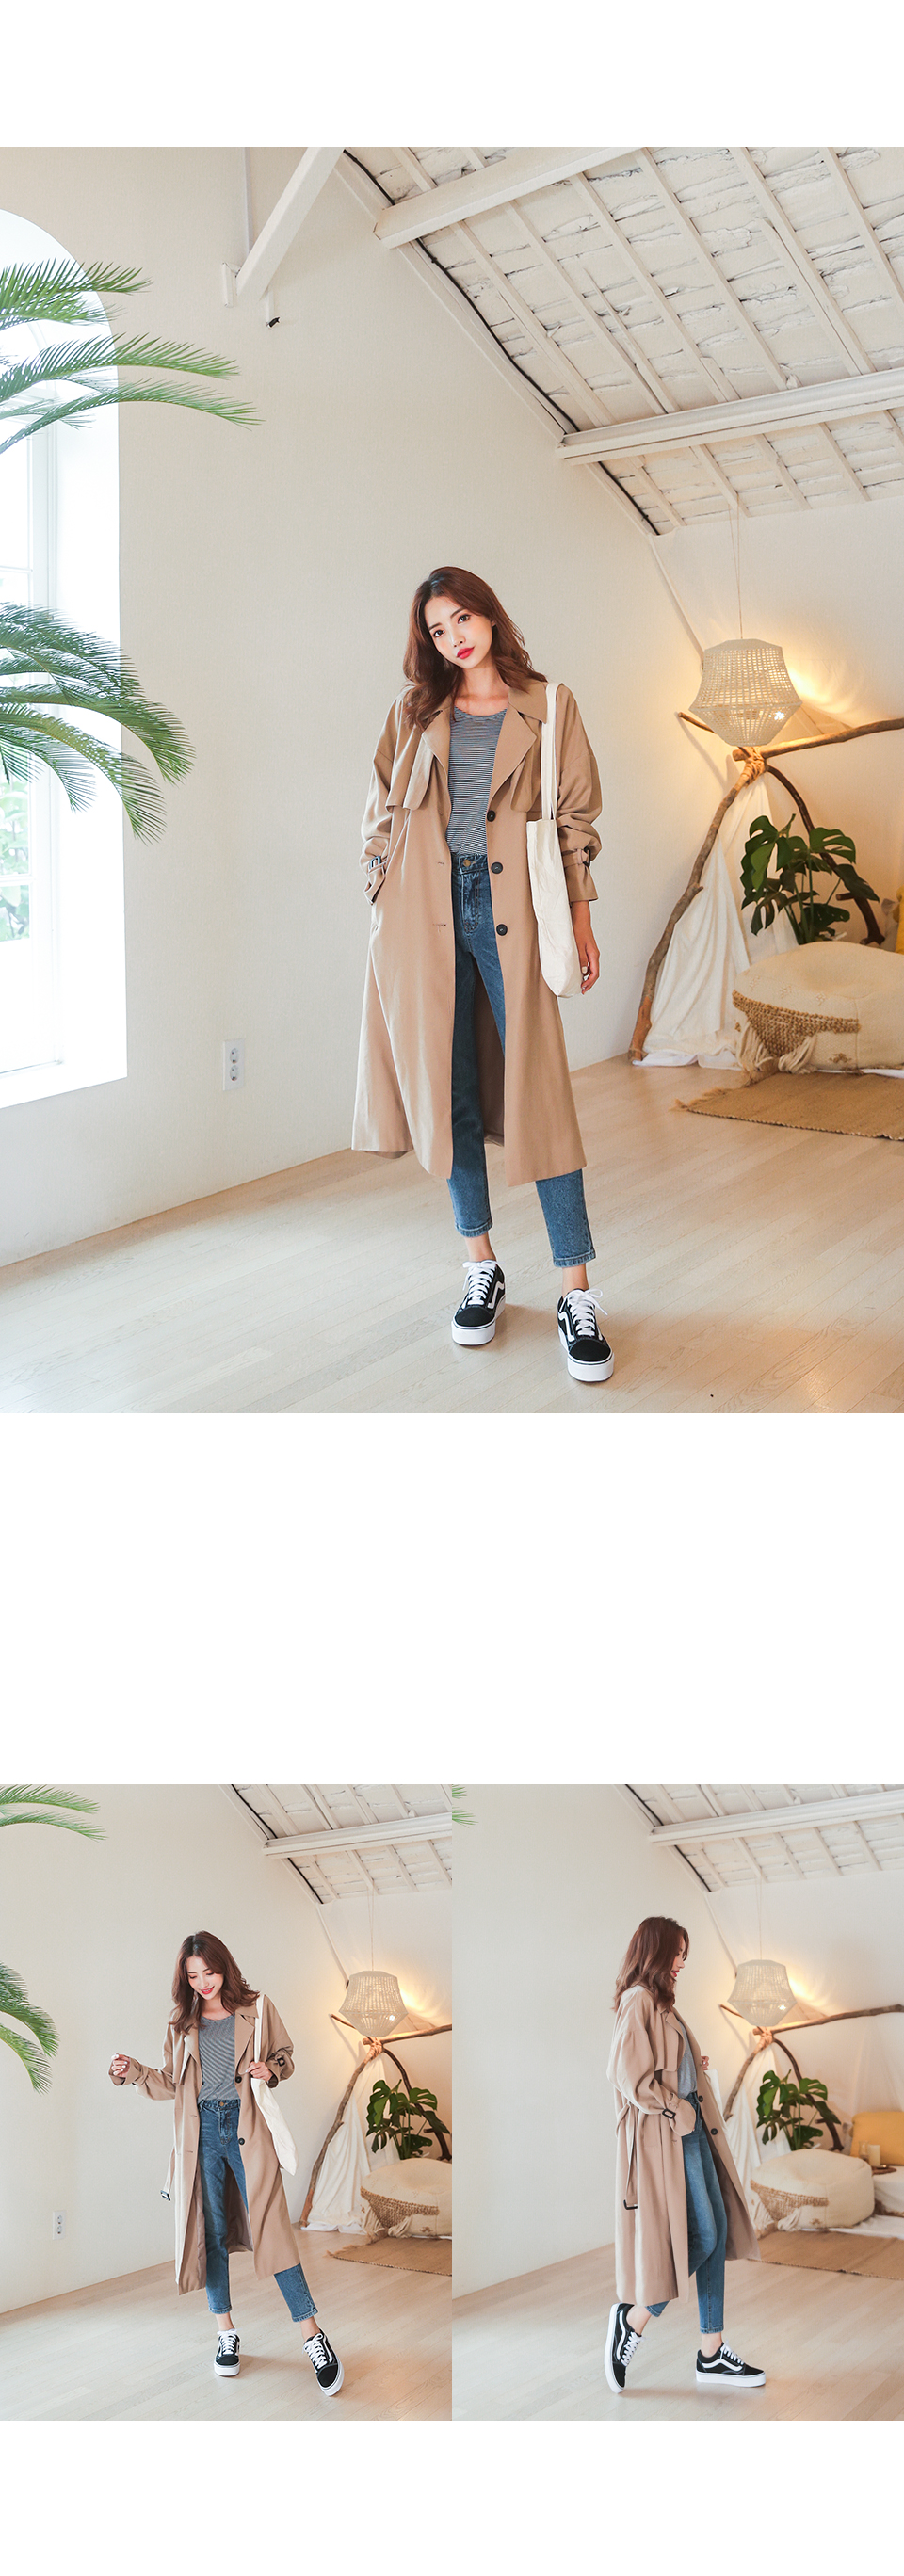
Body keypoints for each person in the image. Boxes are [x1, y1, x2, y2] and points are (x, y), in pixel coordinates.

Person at [352, 566, 614, 1385]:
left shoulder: (551, 704)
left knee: (541, 1095)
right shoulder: (414, 711)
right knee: (449, 1089)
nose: (454, 638)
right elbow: (380, 807)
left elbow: (574, 820)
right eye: (438, 629)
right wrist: (378, 882)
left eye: (462, 618)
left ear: (490, 616)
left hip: (515, 911)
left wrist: (580, 918)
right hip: (422, 911)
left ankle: (576, 1290)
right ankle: (481, 1266)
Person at [109, 1929, 343, 2392]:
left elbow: (285, 2056)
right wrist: (134, 2072)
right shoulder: (181, 2024)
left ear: (224, 1968)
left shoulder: (258, 2008)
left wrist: (269, 2069)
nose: (203, 1983)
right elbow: (173, 2082)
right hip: (202, 2135)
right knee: (211, 2235)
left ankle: (312, 2335)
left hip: (247, 2127)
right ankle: (225, 2332)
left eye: (209, 1972)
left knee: (274, 2232)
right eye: (193, 1976)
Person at [605, 1914, 765, 2396]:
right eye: (677, 1953)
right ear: (655, 1951)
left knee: (717, 2226)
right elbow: (627, 2076)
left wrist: (691, 2067)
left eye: (683, 1956)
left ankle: (711, 2350)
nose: (680, 1963)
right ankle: (633, 2318)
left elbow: (662, 2066)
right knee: (707, 2233)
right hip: (673, 2132)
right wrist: (677, 2106)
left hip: (692, 2128)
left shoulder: (661, 2003)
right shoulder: (637, 1999)